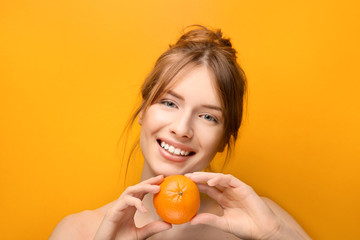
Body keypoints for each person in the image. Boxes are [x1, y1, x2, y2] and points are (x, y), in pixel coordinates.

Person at [50, 25, 311, 240]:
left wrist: (274, 234)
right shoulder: (77, 232)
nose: (182, 128)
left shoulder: (265, 222)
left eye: (208, 116)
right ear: (143, 110)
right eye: (169, 103)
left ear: (224, 139)